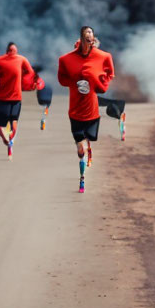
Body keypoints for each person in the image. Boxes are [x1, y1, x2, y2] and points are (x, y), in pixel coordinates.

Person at [57, 26, 115, 193]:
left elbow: (109, 74)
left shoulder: (103, 56)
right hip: (76, 110)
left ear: (94, 38)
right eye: (86, 34)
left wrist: (100, 84)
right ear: (81, 39)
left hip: (91, 110)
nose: (89, 37)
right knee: (81, 145)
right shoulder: (66, 59)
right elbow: (62, 78)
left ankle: (85, 149)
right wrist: (74, 84)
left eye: (91, 33)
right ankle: (82, 177)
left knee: (86, 140)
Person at [0, 42, 41, 159]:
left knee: (6, 124)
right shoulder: (17, 59)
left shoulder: (11, 60)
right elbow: (30, 73)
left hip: (8, 97)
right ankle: (9, 140)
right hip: (5, 97)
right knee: (9, 123)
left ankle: (9, 140)